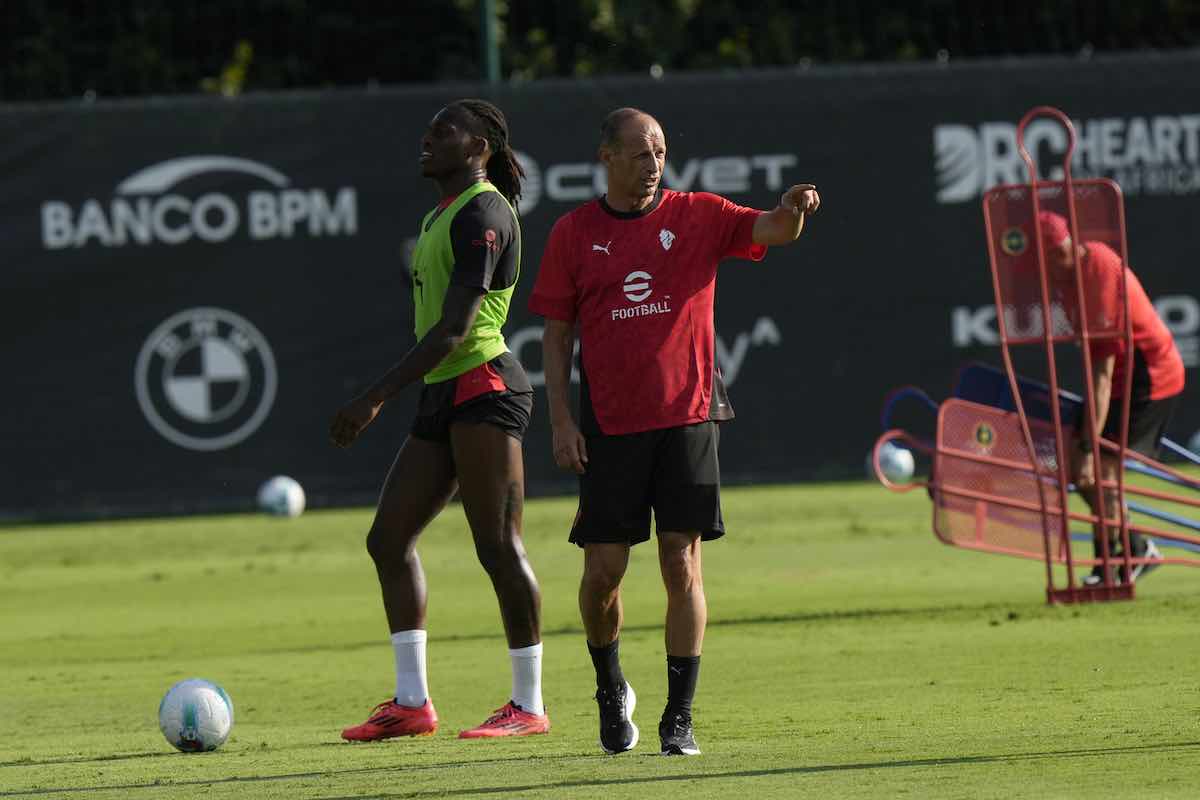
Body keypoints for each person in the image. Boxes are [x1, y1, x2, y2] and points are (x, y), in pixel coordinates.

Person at [528, 107, 820, 756]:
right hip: (609, 424)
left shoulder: (698, 214)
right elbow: (555, 335)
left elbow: (774, 230)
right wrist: (560, 420)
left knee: (681, 561)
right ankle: (610, 688)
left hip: (688, 414)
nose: (652, 162)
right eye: (638, 152)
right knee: (603, 572)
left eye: (659, 150)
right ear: (605, 157)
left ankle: (678, 718)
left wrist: (794, 209)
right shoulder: (574, 233)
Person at [330, 98, 549, 741]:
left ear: (480, 145)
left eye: (444, 131)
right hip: (443, 393)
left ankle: (529, 705)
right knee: (388, 540)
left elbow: (455, 331)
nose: (428, 138)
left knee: (497, 546)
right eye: (427, 129)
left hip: (484, 386)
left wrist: (373, 395)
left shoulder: (483, 212)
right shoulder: (443, 214)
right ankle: (412, 703)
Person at [1036, 210, 1185, 586]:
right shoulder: (1063, 280)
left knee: (1100, 473)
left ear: (1070, 242)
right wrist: (1082, 451)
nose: (1055, 262)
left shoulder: (1098, 272)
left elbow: (1102, 378)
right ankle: (1131, 551)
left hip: (1149, 378)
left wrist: (1089, 443)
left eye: (1059, 252)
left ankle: (1116, 563)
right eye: (1047, 256)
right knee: (1080, 472)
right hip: (1117, 381)